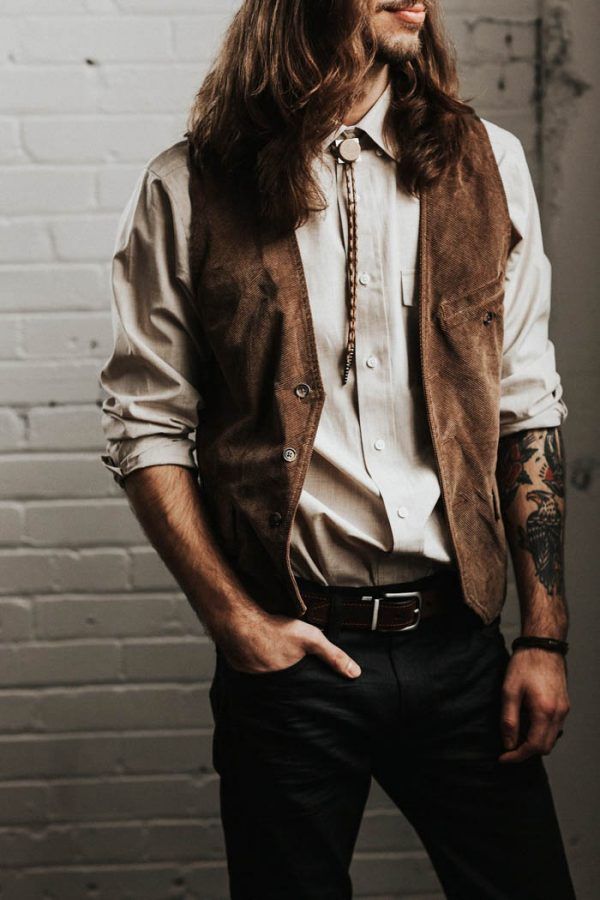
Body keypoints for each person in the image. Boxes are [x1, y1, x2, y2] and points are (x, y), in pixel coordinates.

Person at [99, 1, 576, 897]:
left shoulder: (489, 164)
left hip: (459, 644)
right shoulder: (190, 185)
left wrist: (544, 637)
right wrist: (235, 622)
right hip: (293, 661)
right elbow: (144, 421)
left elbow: (526, 408)